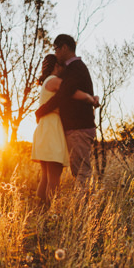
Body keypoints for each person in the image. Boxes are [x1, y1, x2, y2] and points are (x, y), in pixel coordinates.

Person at [31, 53, 98, 204]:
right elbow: (71, 91)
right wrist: (90, 98)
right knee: (54, 179)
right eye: (61, 65)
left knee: (46, 178)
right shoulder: (54, 81)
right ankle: (49, 214)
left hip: (44, 129)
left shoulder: (46, 82)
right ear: (56, 66)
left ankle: (40, 211)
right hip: (52, 130)